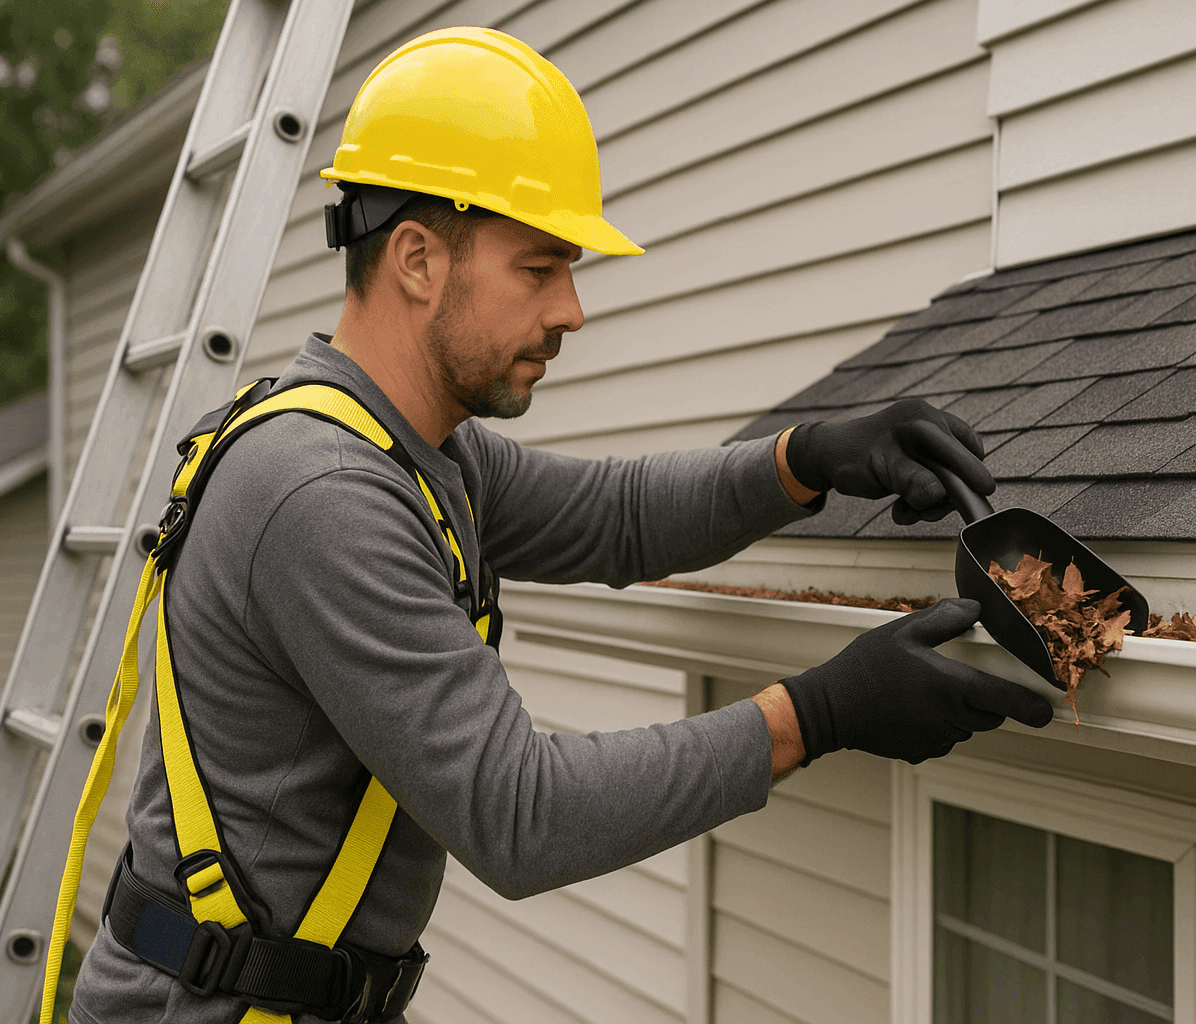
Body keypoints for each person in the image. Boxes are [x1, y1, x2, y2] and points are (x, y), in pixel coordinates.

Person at [66, 27, 1051, 1024]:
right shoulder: (322, 492)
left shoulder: (420, 446)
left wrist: (808, 459)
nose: (573, 309)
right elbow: (522, 815)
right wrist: (819, 714)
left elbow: (612, 517)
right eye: (540, 268)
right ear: (416, 258)